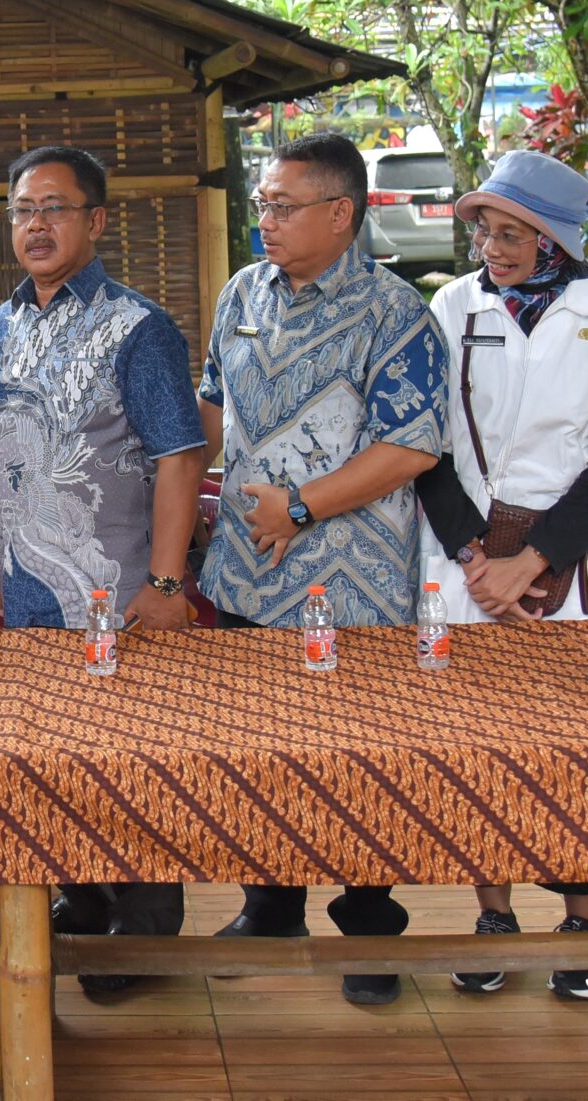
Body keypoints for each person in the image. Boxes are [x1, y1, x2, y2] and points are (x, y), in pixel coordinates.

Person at [195, 131, 445, 1004]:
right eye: (262, 203)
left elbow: (413, 446)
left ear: (341, 214)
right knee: (260, 749)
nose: (265, 219)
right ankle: (270, 903)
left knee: (360, 760)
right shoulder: (241, 293)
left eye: (282, 205)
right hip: (242, 575)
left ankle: (371, 926)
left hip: (354, 585)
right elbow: (213, 399)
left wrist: (302, 506)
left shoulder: (395, 311)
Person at [411, 151, 588, 1001]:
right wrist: (478, 558)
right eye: (485, 228)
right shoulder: (453, 305)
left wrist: (533, 560)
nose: (494, 246)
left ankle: (582, 922)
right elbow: (427, 446)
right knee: (481, 744)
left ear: (556, 237)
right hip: (468, 556)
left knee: (577, 747)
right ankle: (493, 917)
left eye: (514, 231)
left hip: (574, 559)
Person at [0, 146, 207, 1000]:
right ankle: (79, 894)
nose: (35, 224)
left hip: (114, 590)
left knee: (124, 762)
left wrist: (169, 583)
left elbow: (181, 455)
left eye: (54, 207)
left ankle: (140, 932)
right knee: (47, 755)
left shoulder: (138, 327)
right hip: (24, 587)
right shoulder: (0, 325)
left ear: (95, 221)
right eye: (23, 208)